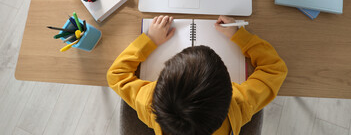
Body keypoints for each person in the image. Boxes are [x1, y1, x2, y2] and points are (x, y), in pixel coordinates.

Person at [107, 15, 288, 135]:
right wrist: (241, 36)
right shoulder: (238, 105)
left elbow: (116, 74)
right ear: (230, 91)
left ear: (159, 86)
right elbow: (274, 68)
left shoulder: (149, 103)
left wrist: (150, 39)